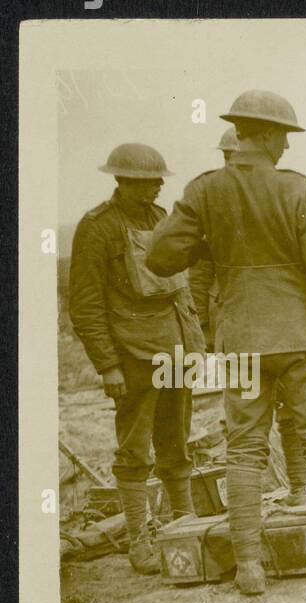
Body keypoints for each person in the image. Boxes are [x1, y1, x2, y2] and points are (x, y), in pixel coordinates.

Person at [147, 89, 306, 594]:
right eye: (285, 137)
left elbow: (161, 257)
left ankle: (250, 569)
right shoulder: (297, 189)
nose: (288, 149)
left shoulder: (205, 190)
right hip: (301, 340)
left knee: (244, 449)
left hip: (241, 341)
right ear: (270, 135)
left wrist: (212, 235)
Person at [68, 142, 204, 574]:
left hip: (174, 351)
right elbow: (86, 304)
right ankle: (139, 538)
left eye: (159, 180)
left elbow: (181, 288)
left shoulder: (161, 219)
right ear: (121, 181)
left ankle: (184, 524)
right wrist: (107, 364)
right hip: (133, 357)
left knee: (176, 441)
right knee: (134, 450)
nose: (158, 186)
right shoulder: (97, 228)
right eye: (147, 182)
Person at [188, 125, 306, 509]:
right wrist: (206, 335)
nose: (232, 163)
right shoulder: (215, 205)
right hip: (242, 329)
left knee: (288, 415)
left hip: (275, 329)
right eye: (226, 157)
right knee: (246, 429)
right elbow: (199, 276)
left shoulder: (277, 196)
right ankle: (254, 509)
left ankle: (300, 489)